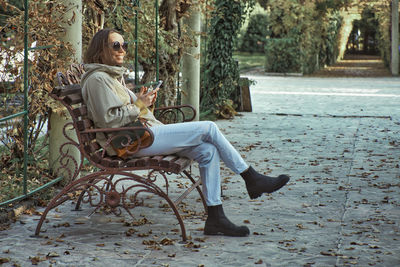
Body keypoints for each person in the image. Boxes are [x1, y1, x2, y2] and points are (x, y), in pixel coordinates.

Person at [81, 29, 290, 237]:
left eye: (124, 45)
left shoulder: (110, 76)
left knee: (207, 151)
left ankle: (216, 217)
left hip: (139, 135)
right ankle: (251, 178)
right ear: (100, 50)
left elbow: (122, 113)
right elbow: (108, 120)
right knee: (208, 127)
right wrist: (139, 106)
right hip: (127, 143)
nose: (122, 50)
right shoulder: (98, 79)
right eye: (115, 45)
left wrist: (142, 102)